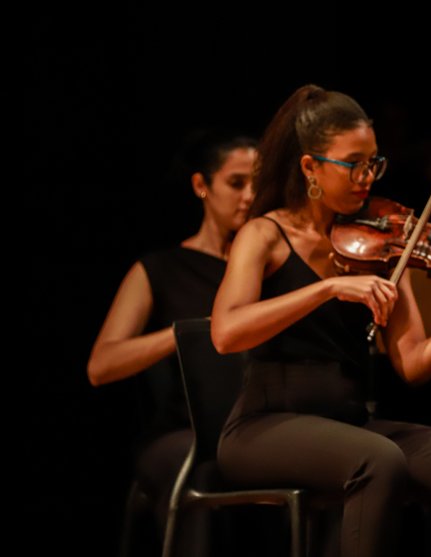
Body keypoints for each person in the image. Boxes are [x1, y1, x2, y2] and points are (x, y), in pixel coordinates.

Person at [210, 84, 431, 557]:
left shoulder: (381, 241)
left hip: (349, 425)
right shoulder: (263, 234)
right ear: (311, 166)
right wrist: (326, 288)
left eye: (374, 162)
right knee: (379, 460)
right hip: (261, 427)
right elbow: (225, 334)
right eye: (354, 164)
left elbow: (413, 363)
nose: (368, 177)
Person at [87, 129, 258, 553]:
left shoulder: (264, 267)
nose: (250, 196)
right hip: (182, 433)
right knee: (201, 466)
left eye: (258, 184)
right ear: (202, 186)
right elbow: (101, 365)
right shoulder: (160, 269)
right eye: (237, 183)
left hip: (254, 429)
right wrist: (188, 331)